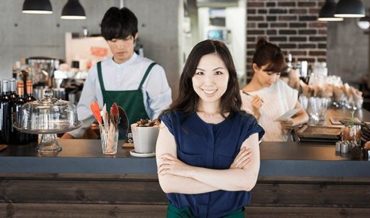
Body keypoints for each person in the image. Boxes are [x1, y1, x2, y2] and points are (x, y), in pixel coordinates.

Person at [156, 40, 264, 217]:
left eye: (218, 73)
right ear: (190, 76)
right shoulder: (171, 121)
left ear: (230, 76)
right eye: (200, 72)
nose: (208, 82)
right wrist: (229, 177)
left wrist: (187, 171)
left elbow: (247, 181)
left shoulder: (247, 125)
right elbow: (168, 182)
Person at [63, 7, 171, 139]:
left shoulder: (152, 70)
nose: (120, 46)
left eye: (126, 39)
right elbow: (85, 111)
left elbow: (163, 113)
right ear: (106, 40)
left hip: (144, 146)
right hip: (109, 146)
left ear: (135, 36)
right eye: (113, 41)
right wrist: (68, 137)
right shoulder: (98, 71)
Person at [241, 38, 308, 142]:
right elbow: (244, 137)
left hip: (286, 152)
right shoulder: (242, 97)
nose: (273, 79)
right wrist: (256, 114)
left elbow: (304, 115)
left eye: (277, 73)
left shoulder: (279, 86)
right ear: (255, 67)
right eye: (269, 73)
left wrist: (292, 122)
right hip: (262, 155)